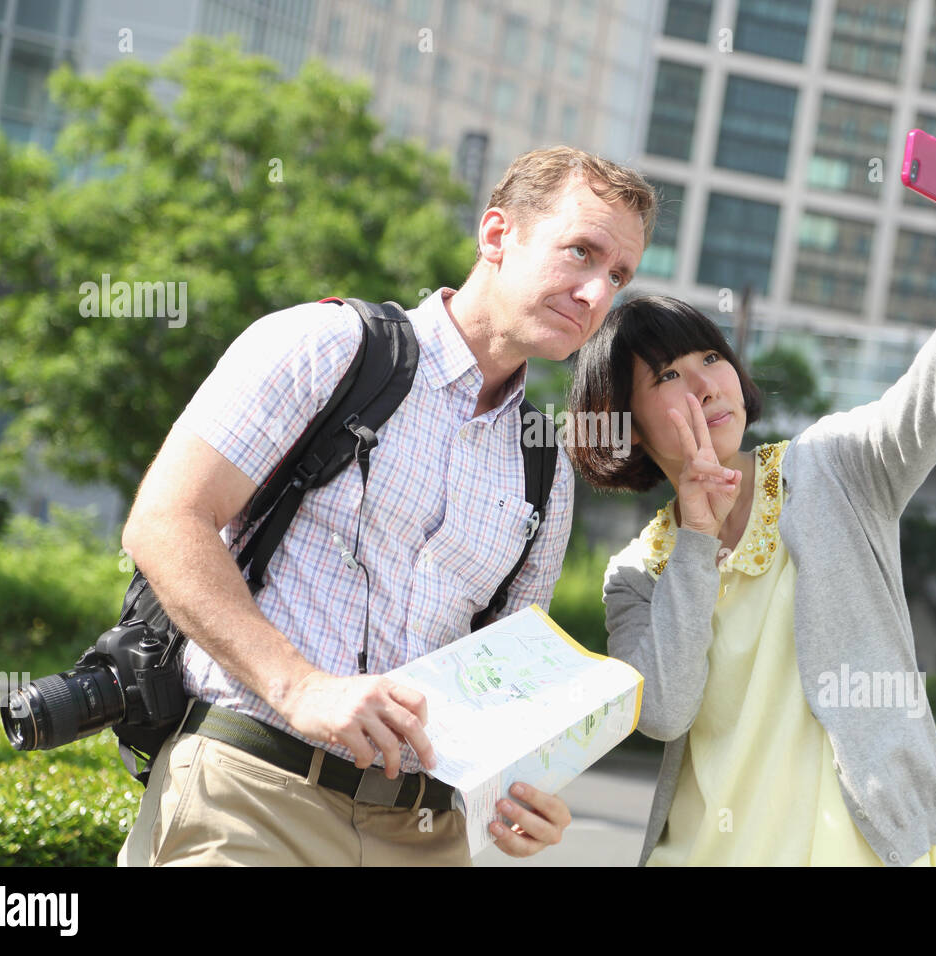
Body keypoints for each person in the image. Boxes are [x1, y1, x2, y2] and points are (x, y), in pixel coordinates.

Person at [117, 146, 655, 866]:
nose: (595, 293)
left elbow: (504, 677)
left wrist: (519, 789)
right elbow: (164, 521)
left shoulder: (543, 463)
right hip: (253, 790)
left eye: (617, 274)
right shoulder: (327, 345)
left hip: (423, 834)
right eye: (580, 253)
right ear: (496, 236)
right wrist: (300, 686)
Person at [566, 144, 936, 866]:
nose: (708, 385)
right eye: (669, 376)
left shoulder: (834, 466)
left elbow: (931, 400)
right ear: (627, 422)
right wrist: (695, 536)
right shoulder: (635, 572)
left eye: (712, 359)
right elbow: (664, 712)